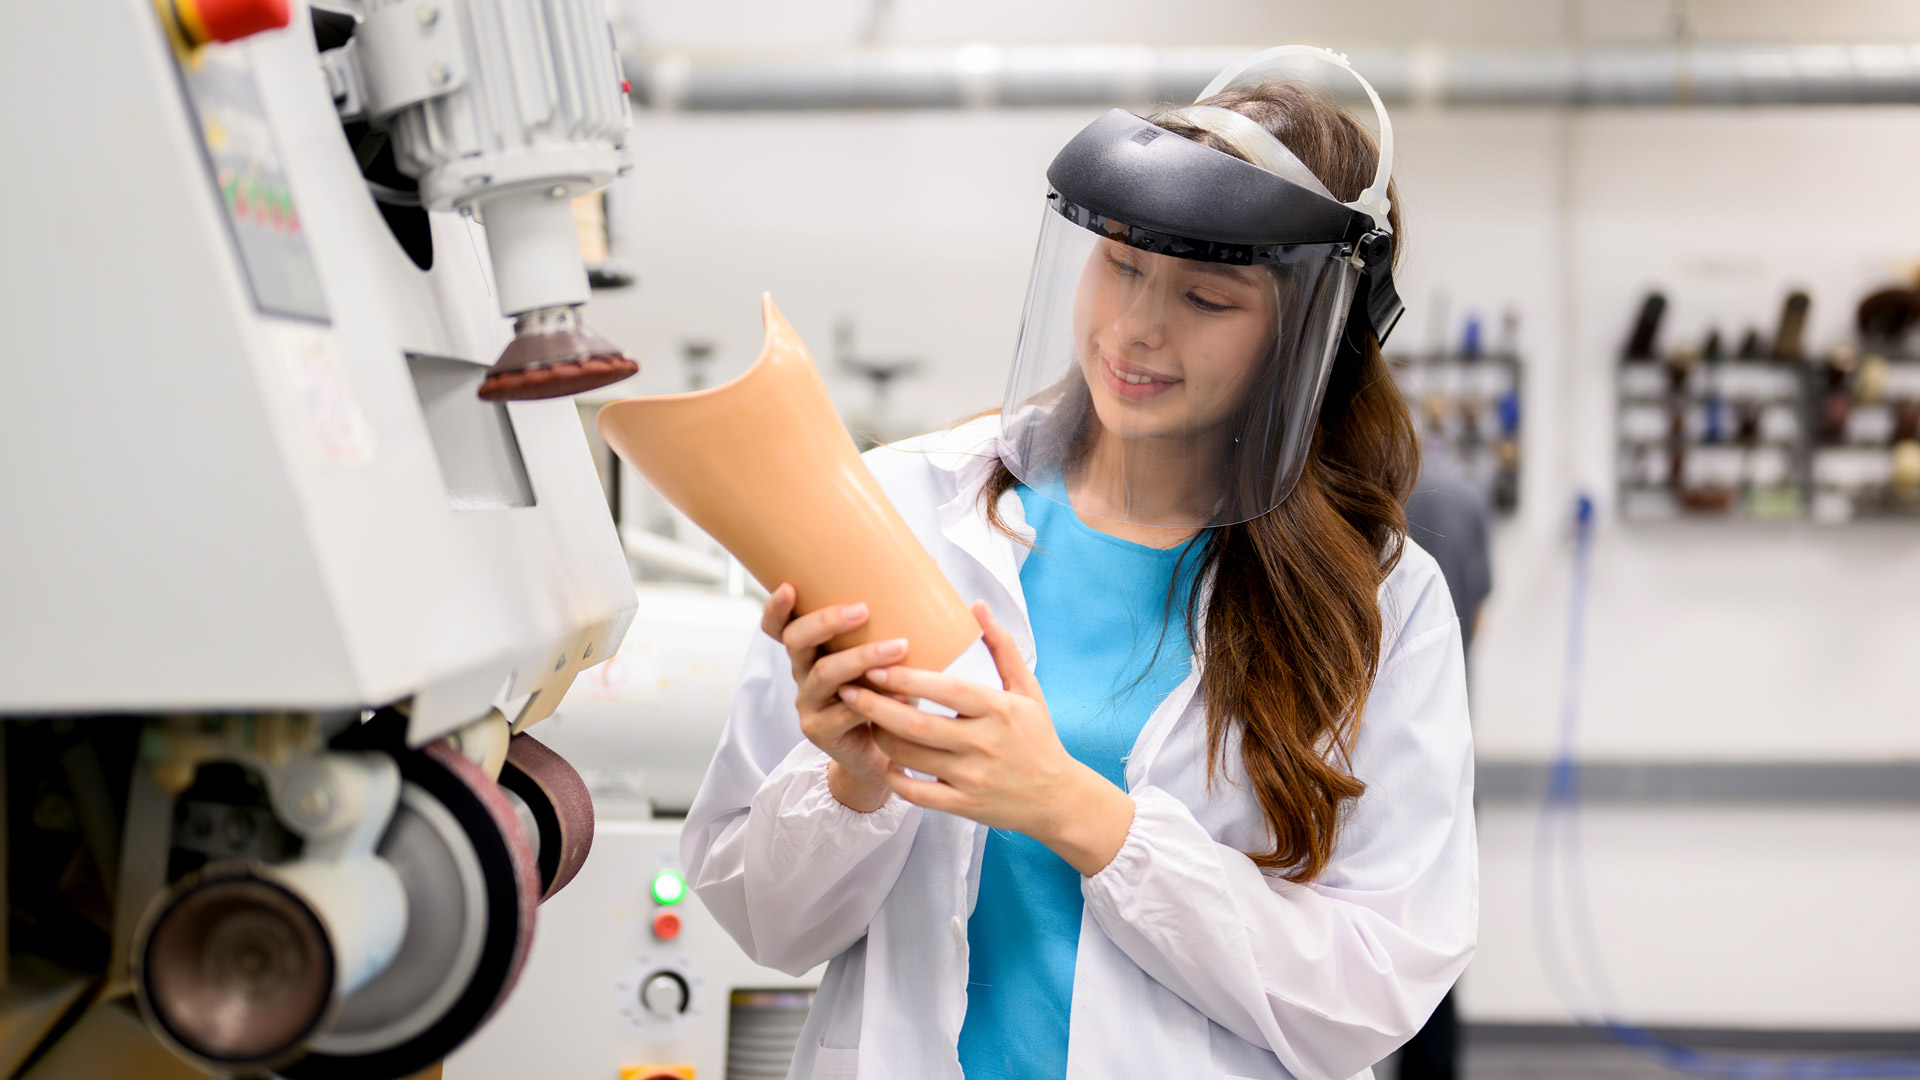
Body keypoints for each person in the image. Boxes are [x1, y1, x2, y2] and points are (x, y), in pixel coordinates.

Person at [682, 46, 1476, 1080]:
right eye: (1123, 266)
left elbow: (1375, 991)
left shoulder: (1384, 602)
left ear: (1312, 337)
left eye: (1207, 300)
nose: (1136, 329)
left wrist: (1080, 813)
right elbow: (761, 919)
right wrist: (853, 785)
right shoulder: (909, 507)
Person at [1395, 440, 1495, 1080]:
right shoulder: (1465, 495)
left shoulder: (1346, 490)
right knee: (1430, 949)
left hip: (1355, 764)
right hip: (1440, 760)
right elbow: (1477, 619)